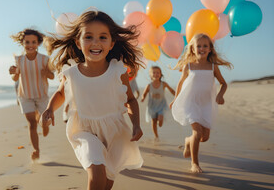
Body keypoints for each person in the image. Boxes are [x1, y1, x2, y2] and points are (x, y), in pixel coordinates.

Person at [41, 10, 143, 190]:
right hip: (84, 131)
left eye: (102, 37)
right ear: (78, 42)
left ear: (112, 43)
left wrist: (136, 124)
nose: (95, 42)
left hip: (115, 133)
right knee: (96, 173)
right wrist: (50, 109)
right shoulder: (71, 73)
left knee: (106, 183)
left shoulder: (117, 72)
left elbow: (131, 101)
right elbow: (61, 94)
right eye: (88, 37)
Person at [170, 33, 233, 173]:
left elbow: (223, 84)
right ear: (192, 48)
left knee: (204, 137)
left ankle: (188, 141)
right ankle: (195, 163)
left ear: (210, 48)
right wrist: (175, 98)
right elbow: (180, 83)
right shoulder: (189, 66)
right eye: (198, 46)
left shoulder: (213, 66)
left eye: (205, 45)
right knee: (197, 133)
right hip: (190, 103)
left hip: (206, 105)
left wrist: (220, 96)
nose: (202, 48)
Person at [9, 28, 54, 160]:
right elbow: (15, 79)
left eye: (33, 42)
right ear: (22, 43)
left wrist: (47, 73)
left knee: (43, 121)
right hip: (25, 96)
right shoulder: (19, 60)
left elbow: (52, 76)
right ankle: (36, 150)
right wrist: (13, 72)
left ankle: (45, 126)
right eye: (27, 42)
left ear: (38, 43)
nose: (30, 45)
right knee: (32, 124)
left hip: (41, 96)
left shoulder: (45, 59)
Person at [141, 66, 175, 140]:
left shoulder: (164, 84)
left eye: (158, 73)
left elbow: (172, 91)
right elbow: (144, 93)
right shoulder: (149, 86)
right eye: (154, 73)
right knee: (153, 121)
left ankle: (159, 120)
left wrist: (177, 96)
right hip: (152, 106)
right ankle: (156, 135)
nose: (156, 74)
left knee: (160, 123)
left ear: (160, 74)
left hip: (161, 105)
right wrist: (143, 98)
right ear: (150, 75)